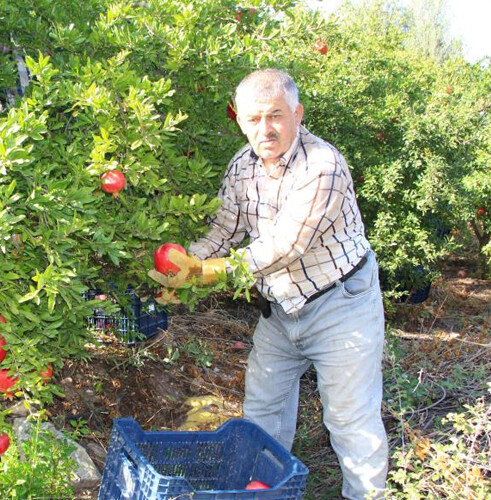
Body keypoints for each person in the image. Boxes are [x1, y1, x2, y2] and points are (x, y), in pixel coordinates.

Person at [148, 68, 388, 500]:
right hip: (279, 309)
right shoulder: (242, 166)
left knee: (350, 421)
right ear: (239, 120)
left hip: (340, 304)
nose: (265, 129)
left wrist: (209, 272)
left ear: (297, 113)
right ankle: (264, 492)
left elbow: (285, 246)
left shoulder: (323, 165)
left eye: (275, 115)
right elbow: (223, 229)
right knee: (262, 414)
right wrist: (185, 265)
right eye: (253, 119)